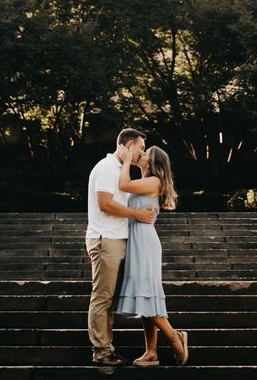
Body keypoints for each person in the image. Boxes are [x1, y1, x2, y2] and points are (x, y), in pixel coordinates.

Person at [86, 128, 157, 367]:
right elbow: (105, 204)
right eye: (141, 148)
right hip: (106, 239)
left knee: (108, 298)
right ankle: (102, 352)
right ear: (128, 146)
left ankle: (106, 348)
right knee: (102, 296)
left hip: (116, 238)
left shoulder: (120, 170)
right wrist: (137, 214)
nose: (142, 153)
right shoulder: (107, 168)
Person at [115, 144, 189, 366]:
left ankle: (175, 337)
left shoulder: (154, 181)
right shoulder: (145, 182)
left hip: (145, 242)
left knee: (146, 295)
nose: (141, 154)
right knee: (144, 296)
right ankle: (151, 352)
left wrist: (126, 160)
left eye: (145, 154)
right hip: (137, 239)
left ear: (153, 163)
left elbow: (124, 184)